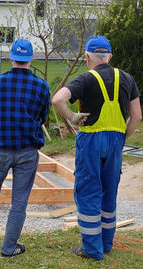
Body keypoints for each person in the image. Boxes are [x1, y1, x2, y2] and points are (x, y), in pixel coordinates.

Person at [52, 35, 142, 260]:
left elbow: (57, 100)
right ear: (110, 56)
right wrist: (122, 137)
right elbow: (137, 116)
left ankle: (92, 250)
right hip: (115, 142)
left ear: (87, 58)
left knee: (88, 192)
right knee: (109, 192)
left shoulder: (85, 79)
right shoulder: (127, 79)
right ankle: (106, 243)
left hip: (91, 140)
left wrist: (73, 117)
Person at [0, 39, 50, 258]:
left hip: (0, 150)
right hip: (27, 152)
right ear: (31, 59)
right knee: (19, 202)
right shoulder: (41, 86)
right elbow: (43, 117)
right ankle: (8, 248)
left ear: (11, 58)